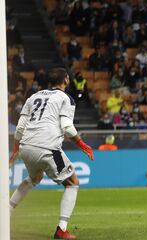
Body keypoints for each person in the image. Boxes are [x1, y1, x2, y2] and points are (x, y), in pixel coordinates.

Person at [9, 68, 94, 239]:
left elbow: (20, 126)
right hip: (47, 147)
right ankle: (61, 229)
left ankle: (6, 213)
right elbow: (67, 127)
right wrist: (82, 144)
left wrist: (16, 149)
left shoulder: (34, 96)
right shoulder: (65, 98)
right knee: (72, 182)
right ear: (65, 80)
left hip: (26, 146)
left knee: (34, 178)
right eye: (68, 78)